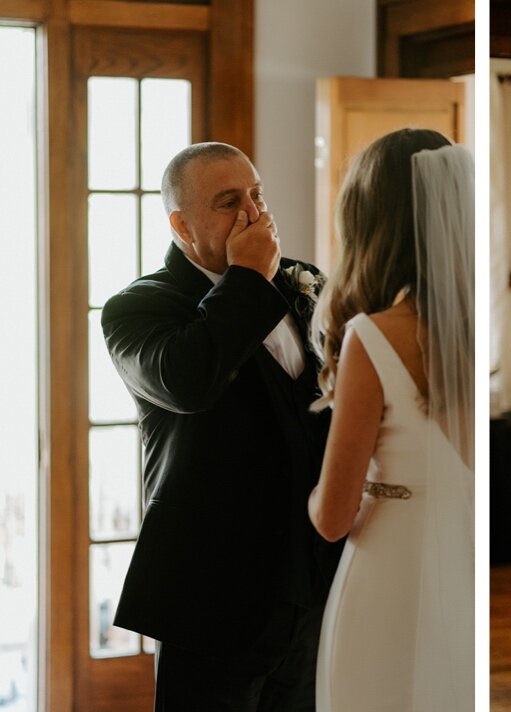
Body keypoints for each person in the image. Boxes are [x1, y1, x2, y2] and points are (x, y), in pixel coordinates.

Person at [105, 142, 338, 711]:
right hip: (211, 593)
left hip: (311, 583)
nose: (253, 214)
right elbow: (190, 380)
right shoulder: (137, 309)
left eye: (257, 195)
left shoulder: (304, 283)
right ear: (182, 225)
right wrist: (248, 276)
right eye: (229, 202)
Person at [304, 128, 475, 711]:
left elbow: (333, 518)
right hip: (465, 569)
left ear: (370, 223)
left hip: (388, 575)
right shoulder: (476, 333)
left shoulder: (373, 337)